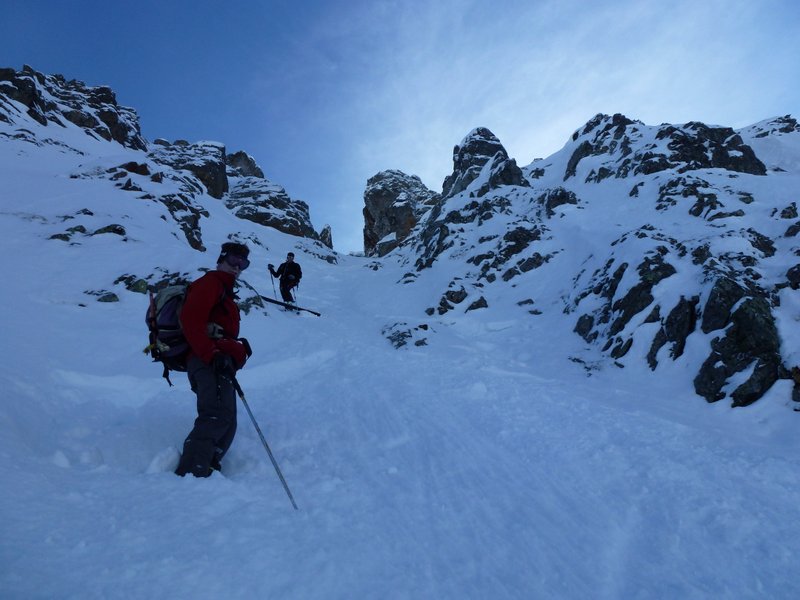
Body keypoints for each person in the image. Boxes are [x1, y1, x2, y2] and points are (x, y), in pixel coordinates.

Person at [175, 241, 252, 478]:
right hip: (207, 360)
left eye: (243, 264)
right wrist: (212, 355)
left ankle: (208, 465)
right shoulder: (211, 283)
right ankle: (191, 473)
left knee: (228, 420)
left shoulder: (225, 291)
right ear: (221, 260)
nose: (237, 268)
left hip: (220, 363)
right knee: (216, 415)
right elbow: (191, 319)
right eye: (233, 261)